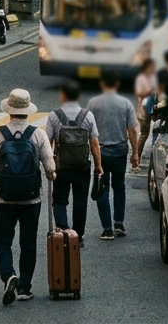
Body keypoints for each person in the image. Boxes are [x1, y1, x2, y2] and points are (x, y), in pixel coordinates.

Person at [0, 89, 56, 305]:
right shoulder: (38, 134)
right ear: (27, 110)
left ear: (9, 109)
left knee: (1, 241)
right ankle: (24, 288)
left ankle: (8, 274)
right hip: (31, 200)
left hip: (4, 199)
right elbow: (50, 168)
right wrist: (52, 172)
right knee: (28, 243)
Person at [46, 80, 102, 241]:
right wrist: (98, 165)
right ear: (78, 96)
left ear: (62, 95)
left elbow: (48, 142)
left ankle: (63, 230)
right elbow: (94, 144)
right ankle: (77, 235)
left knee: (59, 200)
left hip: (61, 166)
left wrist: (49, 165)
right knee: (80, 201)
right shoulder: (88, 115)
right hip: (82, 166)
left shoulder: (54, 115)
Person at [87, 73, 138, 240]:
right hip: (120, 151)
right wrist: (135, 153)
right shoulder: (126, 103)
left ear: (102, 83)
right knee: (119, 186)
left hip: (100, 151)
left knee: (102, 188)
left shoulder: (93, 103)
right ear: (117, 83)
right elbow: (132, 131)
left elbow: (88, 129)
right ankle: (119, 223)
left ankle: (107, 228)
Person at [133, 60, 157, 169]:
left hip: (152, 109)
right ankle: (136, 157)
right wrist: (148, 92)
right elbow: (138, 92)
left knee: (147, 134)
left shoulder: (153, 78)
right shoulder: (141, 78)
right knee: (143, 134)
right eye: (151, 67)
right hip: (143, 110)